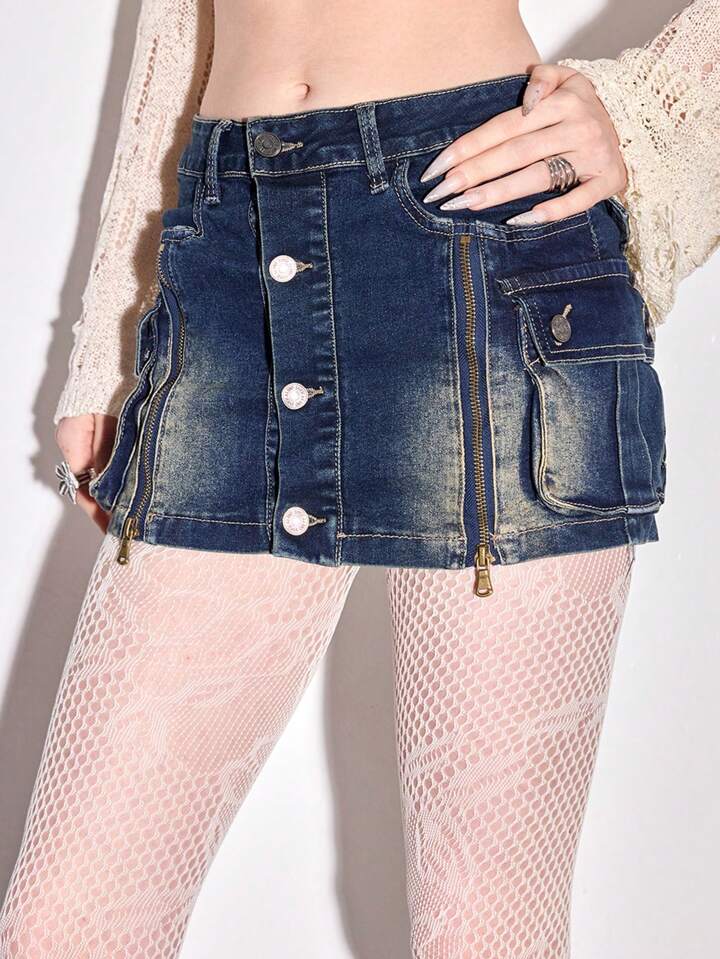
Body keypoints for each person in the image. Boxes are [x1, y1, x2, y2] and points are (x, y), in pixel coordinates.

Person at [1, 1, 718, 956]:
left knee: (483, 936)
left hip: (477, 237)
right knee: (61, 928)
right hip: (224, 259)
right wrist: (112, 332)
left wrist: (650, 116)